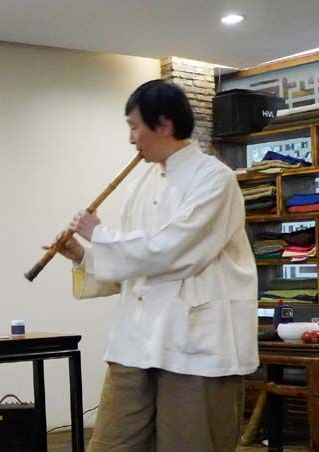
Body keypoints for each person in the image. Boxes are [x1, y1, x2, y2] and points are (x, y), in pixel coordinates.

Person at [53, 79, 258, 452]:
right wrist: (84, 255)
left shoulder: (216, 179)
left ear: (164, 124)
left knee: (191, 444)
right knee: (112, 444)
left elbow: (174, 252)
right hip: (134, 340)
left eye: (134, 127)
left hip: (193, 341)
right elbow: (136, 262)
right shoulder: (142, 183)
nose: (131, 139)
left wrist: (99, 234)